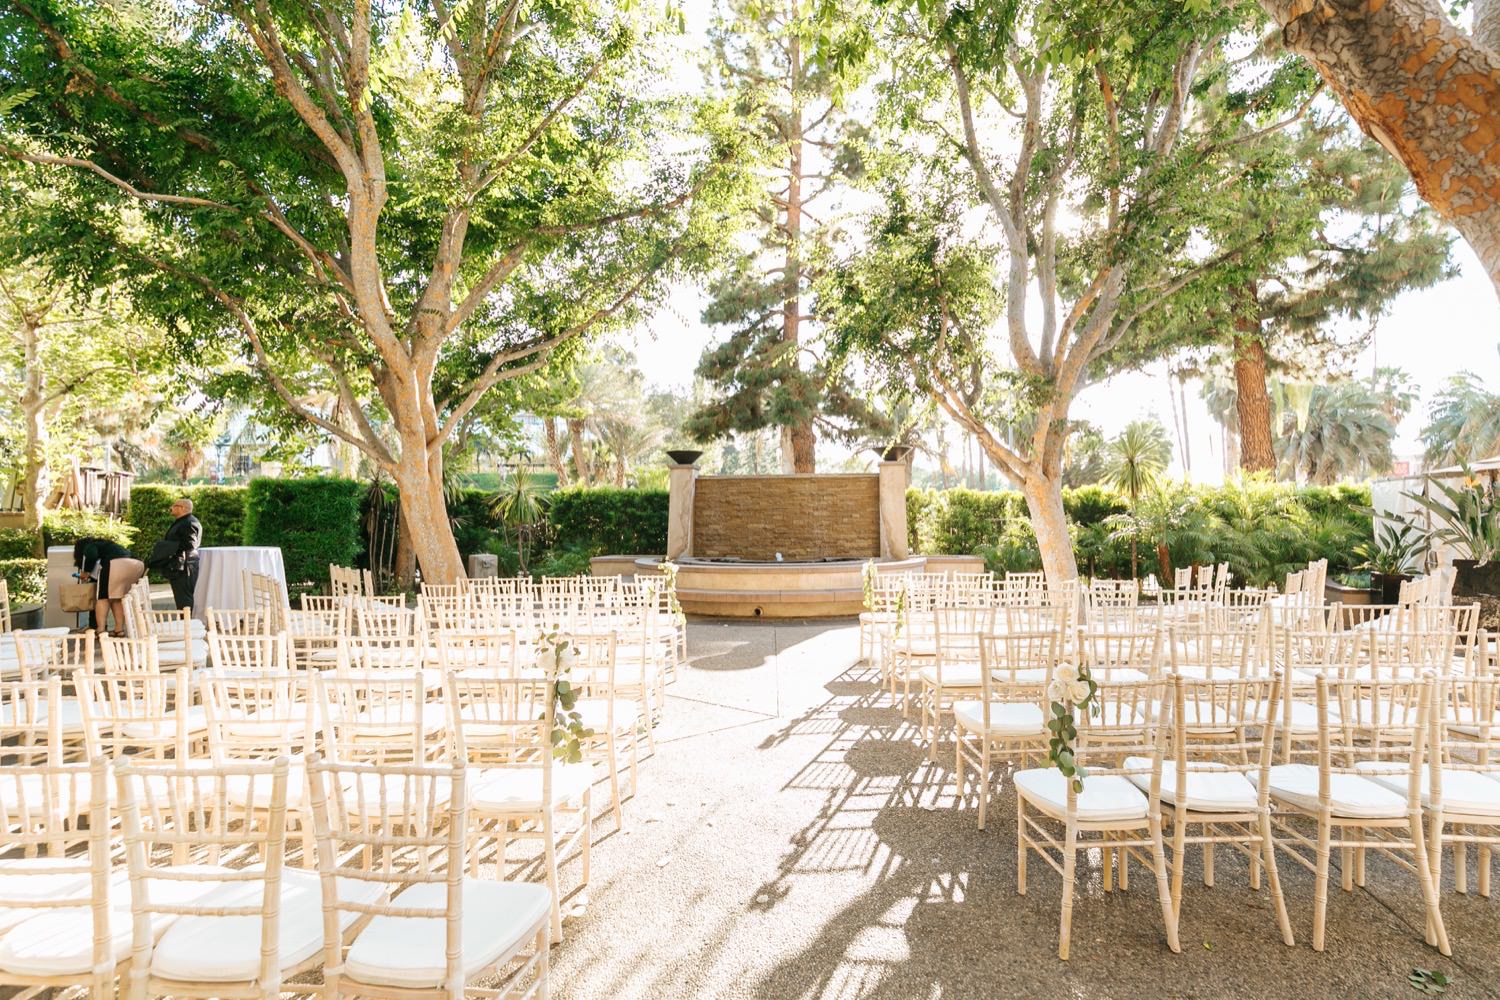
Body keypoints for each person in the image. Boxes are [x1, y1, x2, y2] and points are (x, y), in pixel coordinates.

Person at [73, 536, 145, 636]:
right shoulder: (110, 546)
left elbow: (91, 555)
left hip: (116, 564)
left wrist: (85, 573)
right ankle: (119, 630)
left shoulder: (90, 546)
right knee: (116, 598)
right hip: (136, 564)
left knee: (103, 598)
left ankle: (101, 630)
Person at [160, 497, 202, 611]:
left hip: (184, 566)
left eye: (174, 505)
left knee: (184, 598)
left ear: (182, 508)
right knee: (180, 598)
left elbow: (191, 544)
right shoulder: (184, 521)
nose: (171, 507)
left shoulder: (189, 522)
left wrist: (169, 548)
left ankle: (187, 625)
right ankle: (185, 623)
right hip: (180, 565)